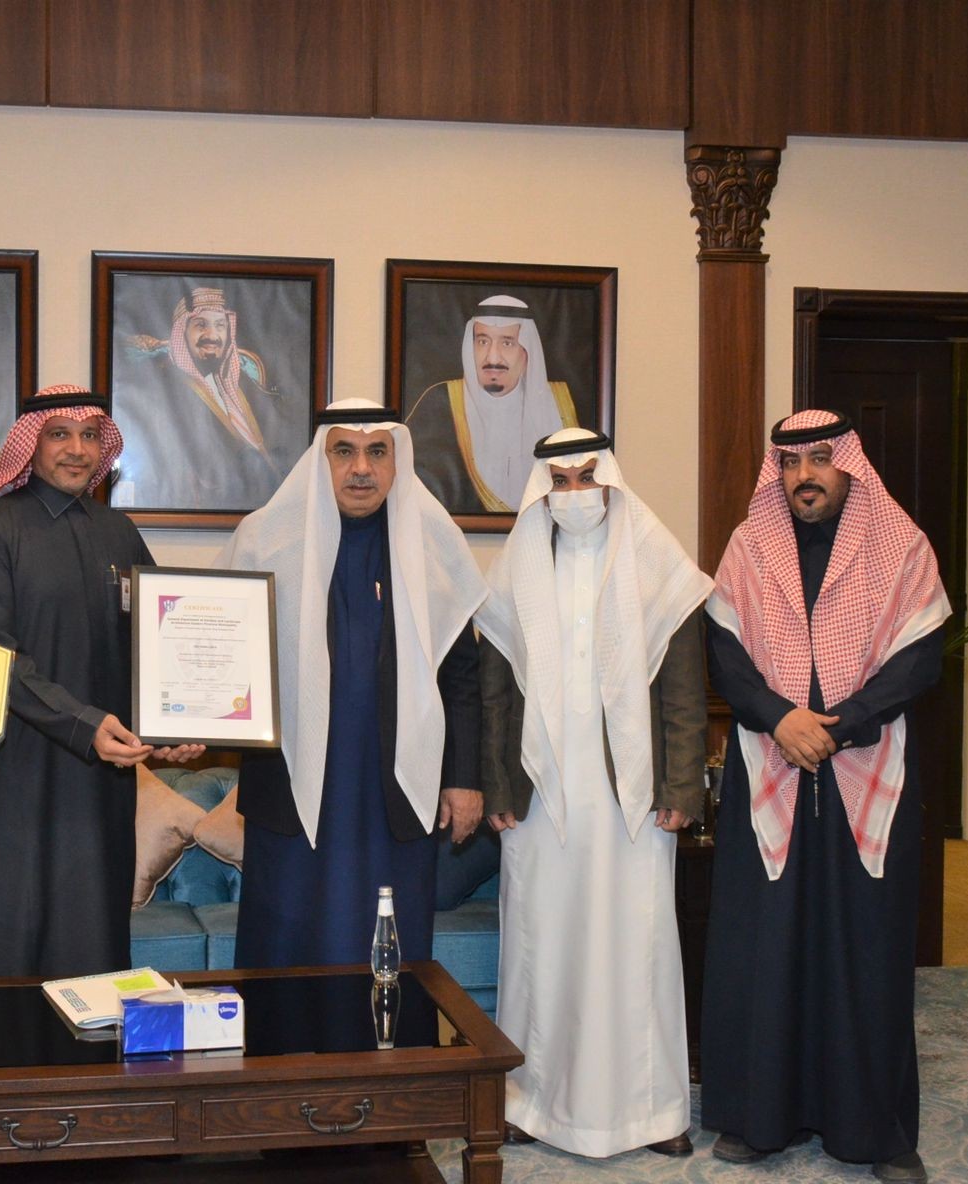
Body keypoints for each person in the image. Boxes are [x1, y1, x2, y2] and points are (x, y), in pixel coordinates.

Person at [703, 409, 949, 1183]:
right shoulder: (749, 546)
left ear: (848, 464)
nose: (804, 475)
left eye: (818, 458)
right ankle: (758, 1119)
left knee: (866, 950)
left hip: (866, 772)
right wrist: (781, 719)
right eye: (789, 462)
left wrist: (836, 728)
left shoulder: (900, 546)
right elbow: (725, 655)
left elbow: (919, 660)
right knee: (766, 947)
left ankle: (878, 1131)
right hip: (769, 767)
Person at [475, 427, 711, 1158]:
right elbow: (494, 696)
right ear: (542, 491)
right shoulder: (515, 571)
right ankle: (529, 1102)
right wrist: (496, 786)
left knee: (637, 944)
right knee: (539, 944)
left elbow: (683, 691)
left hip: (630, 797)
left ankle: (653, 1113)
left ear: (610, 481)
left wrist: (682, 785)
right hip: (541, 796)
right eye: (561, 482)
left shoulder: (658, 563)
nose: (575, 494)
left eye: (587, 478)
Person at [218, 398, 489, 968]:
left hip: (396, 788)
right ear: (320, 459)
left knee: (386, 938)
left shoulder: (433, 543)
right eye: (344, 451)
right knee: (286, 938)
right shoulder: (265, 539)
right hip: (289, 788)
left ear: (396, 461)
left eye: (376, 452)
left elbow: (463, 675)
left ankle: (385, 1034)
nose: (361, 468)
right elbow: (221, 654)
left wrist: (464, 779)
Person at [0, 384, 202, 979]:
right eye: (59, 435)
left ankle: (92, 1045)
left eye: (90, 436)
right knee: (15, 933)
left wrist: (173, 725)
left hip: (102, 780)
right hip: (17, 775)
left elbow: (152, 645)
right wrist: (86, 725)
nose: (78, 450)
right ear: (29, 446)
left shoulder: (119, 532)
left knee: (95, 933)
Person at [112, 286, 308, 510]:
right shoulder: (167, 390)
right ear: (182, 333)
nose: (212, 336)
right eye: (200, 325)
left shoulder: (244, 383)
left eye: (220, 325)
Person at [405, 294, 579, 514]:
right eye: (483, 342)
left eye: (507, 343)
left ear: (527, 351)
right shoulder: (439, 403)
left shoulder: (561, 403)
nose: (493, 357)